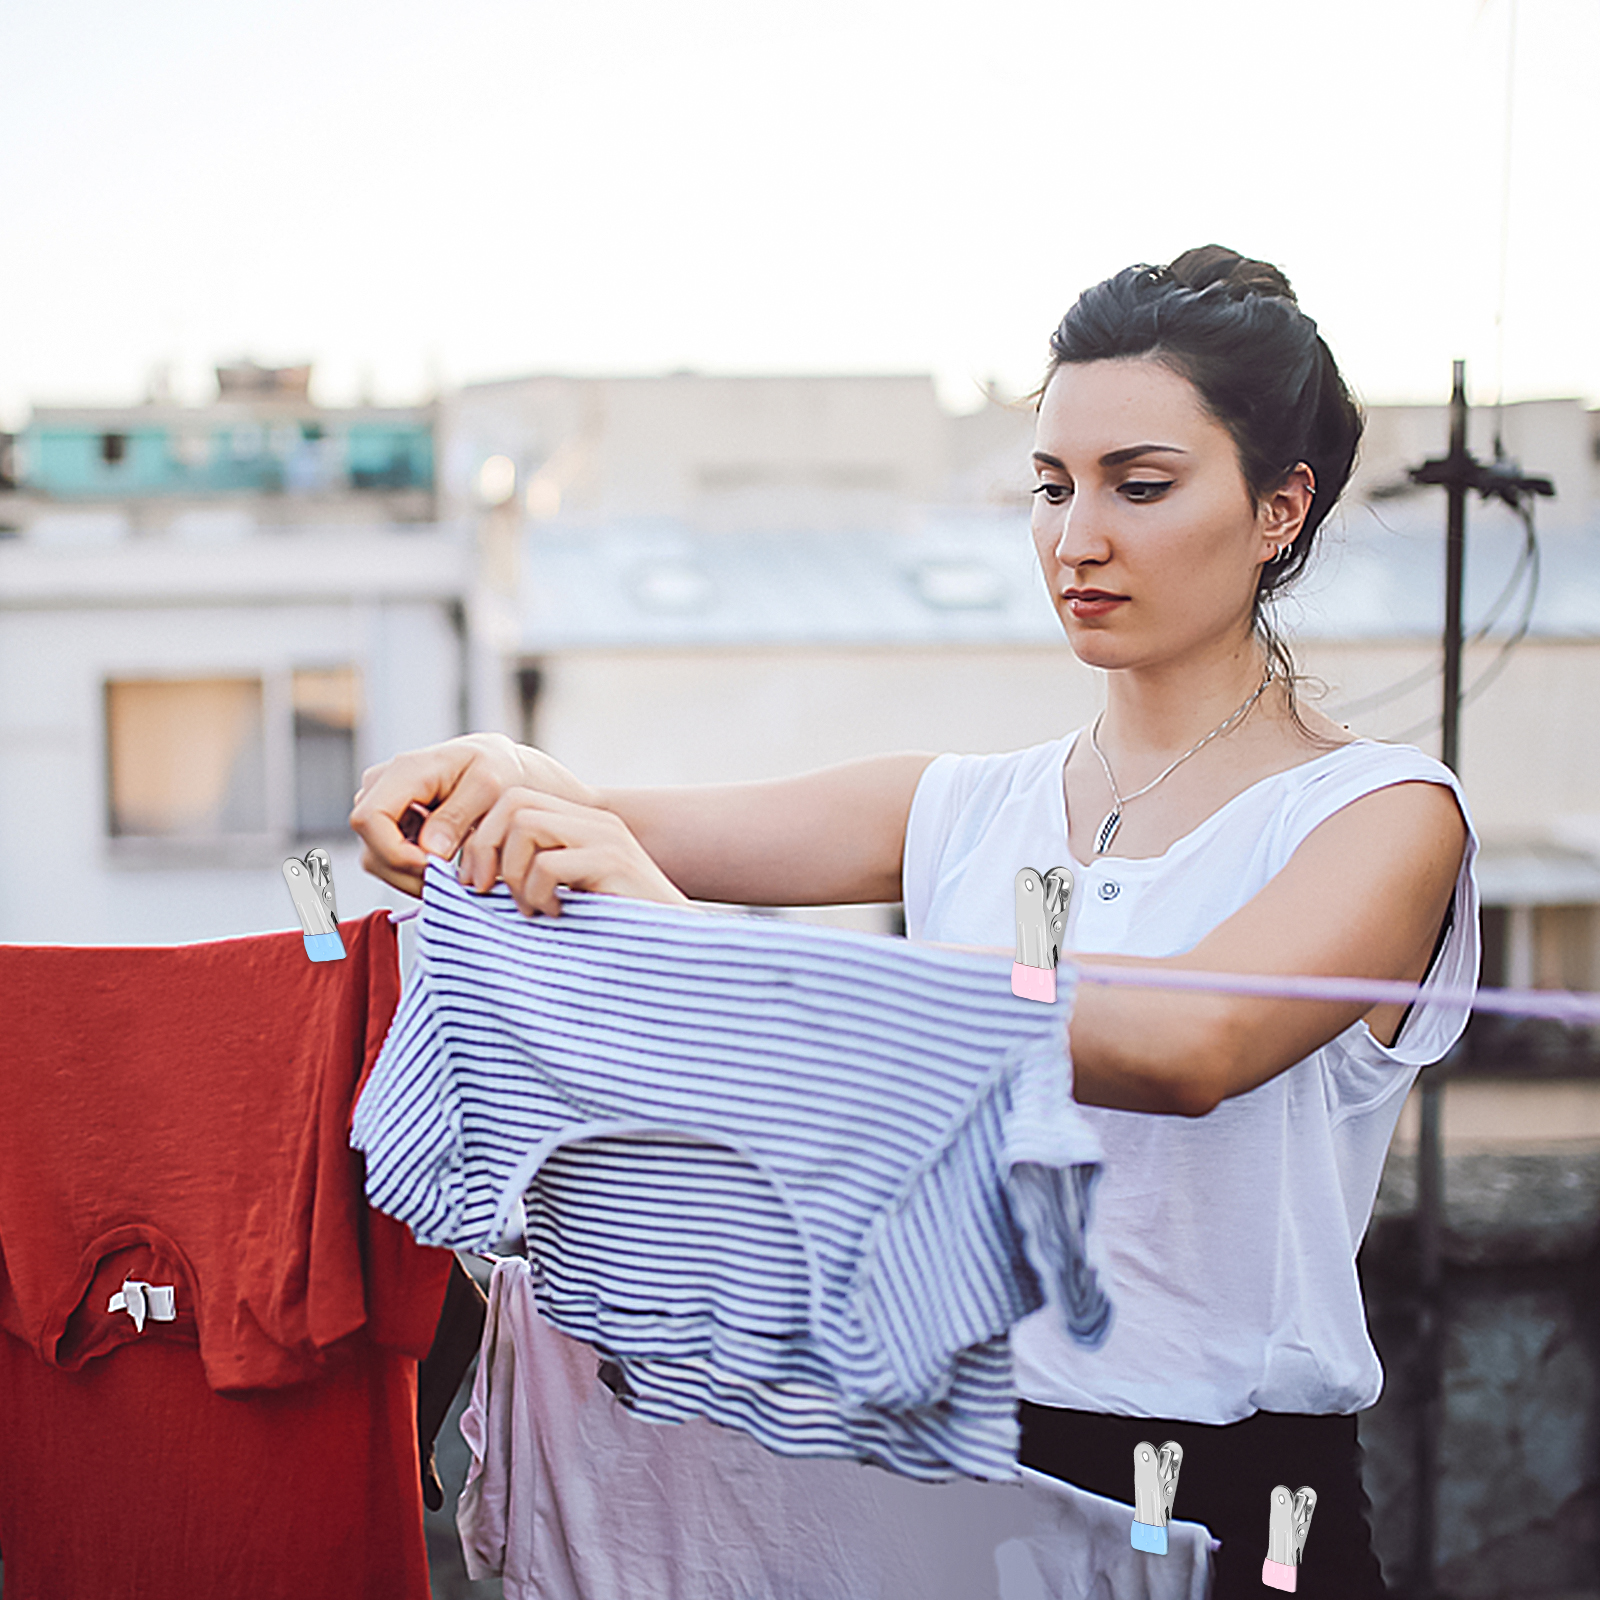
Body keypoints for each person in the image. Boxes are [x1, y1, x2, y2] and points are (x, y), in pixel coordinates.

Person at [352, 246, 1477, 1598]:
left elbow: (1192, 1042)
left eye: (1142, 485)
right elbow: (595, 816)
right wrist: (485, 774)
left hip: (1236, 1498)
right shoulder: (962, 805)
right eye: (1051, 488)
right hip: (943, 1477)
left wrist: (725, 965)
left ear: (1280, 505)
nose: (1078, 538)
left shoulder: (1383, 813)